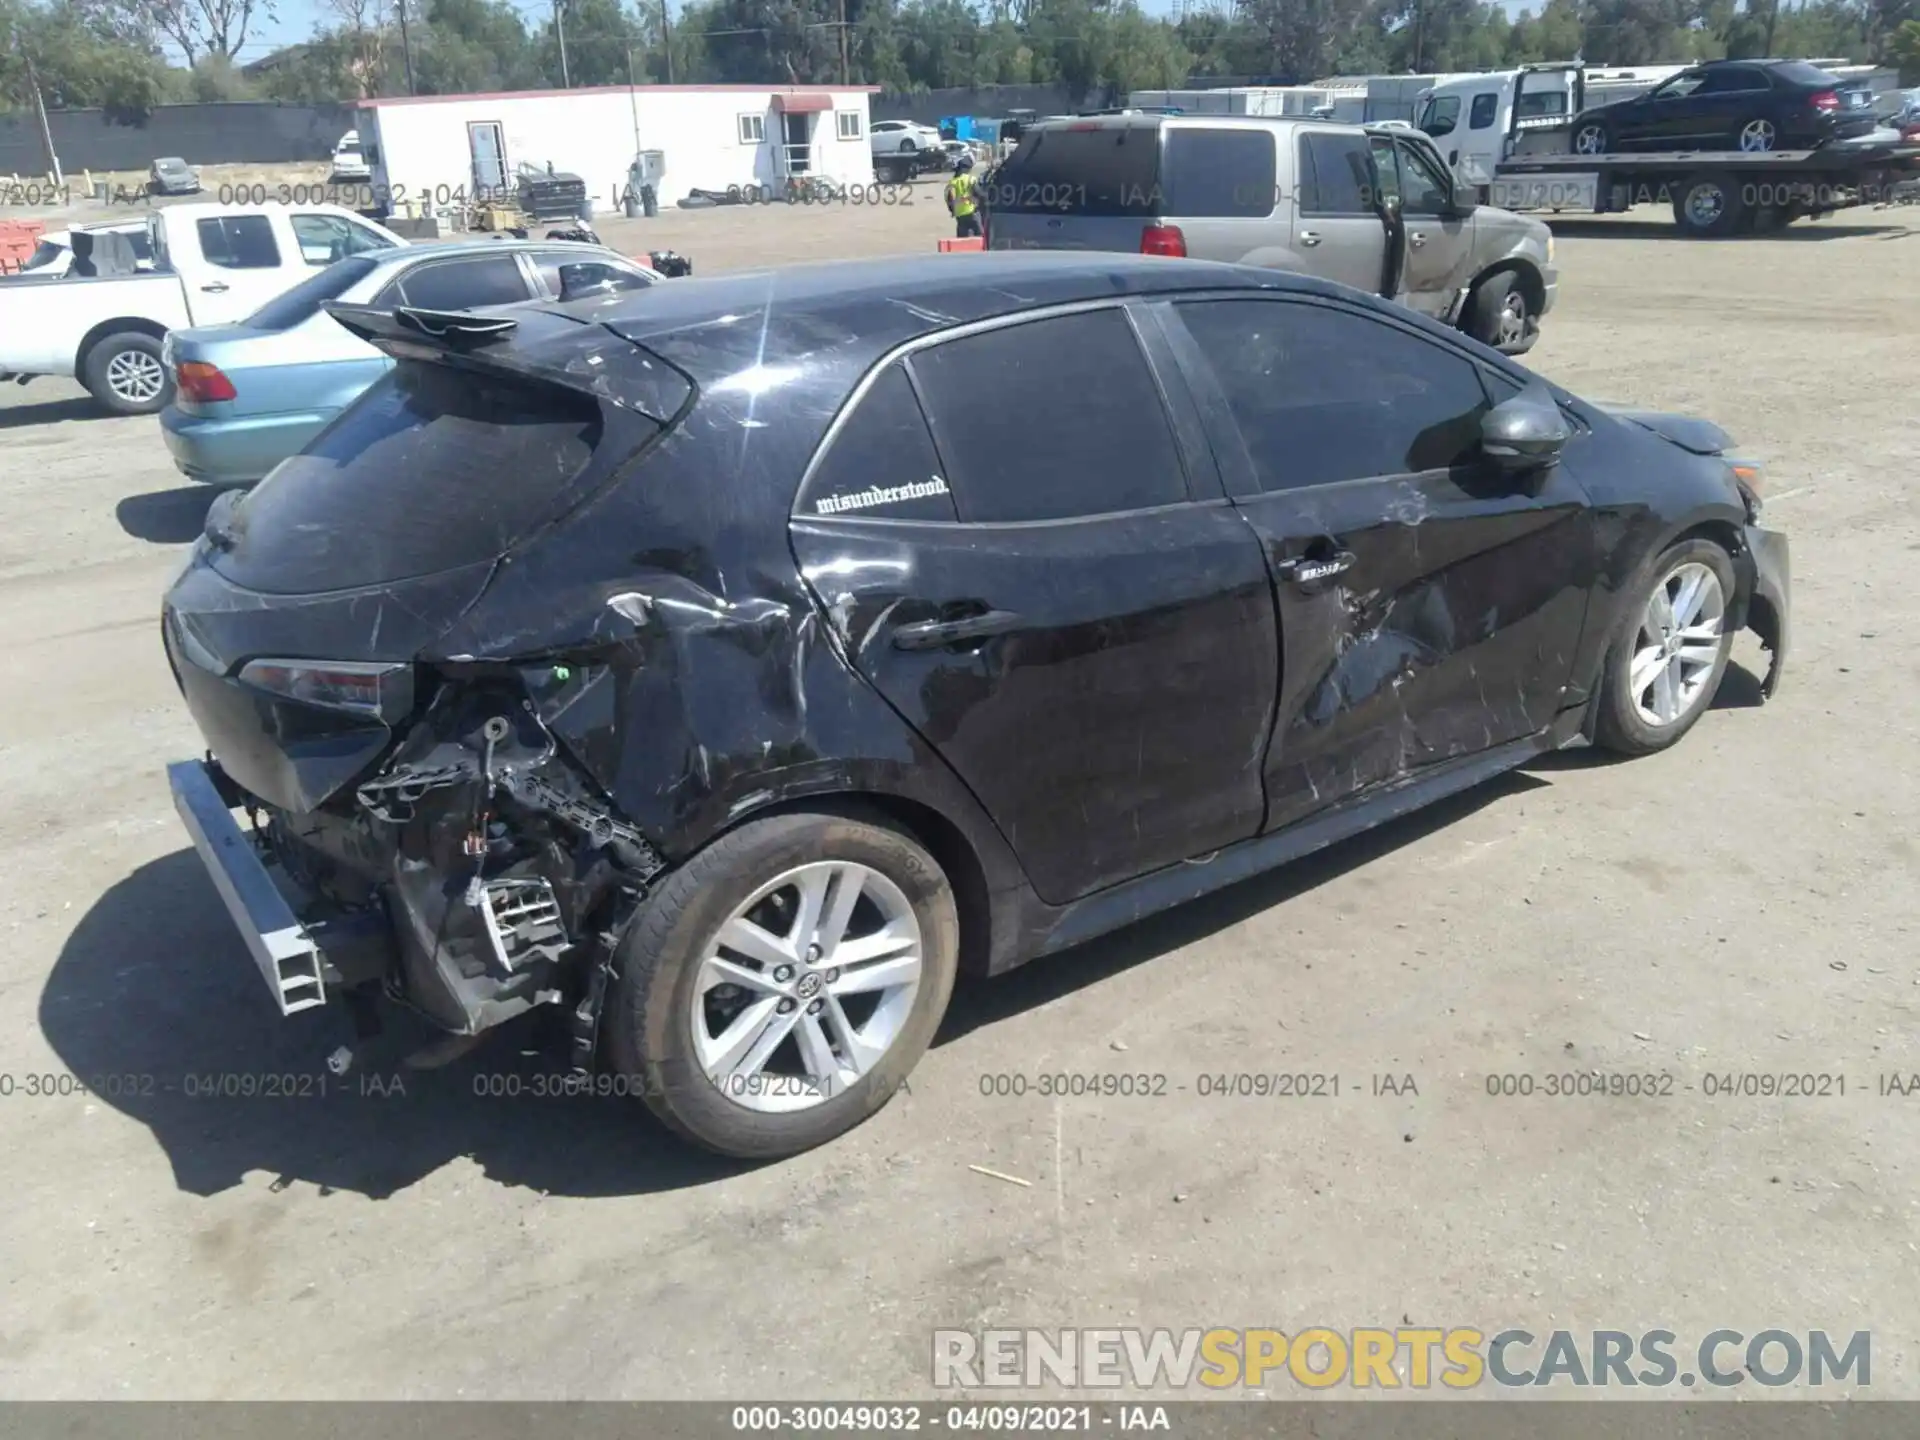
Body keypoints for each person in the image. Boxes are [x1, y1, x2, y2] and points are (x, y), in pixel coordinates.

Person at [945, 154, 981, 240]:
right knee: (980, 236)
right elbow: (978, 193)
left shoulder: (952, 182)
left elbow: (949, 200)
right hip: (972, 213)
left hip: (960, 216)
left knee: (961, 240)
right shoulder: (970, 179)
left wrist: (953, 211)